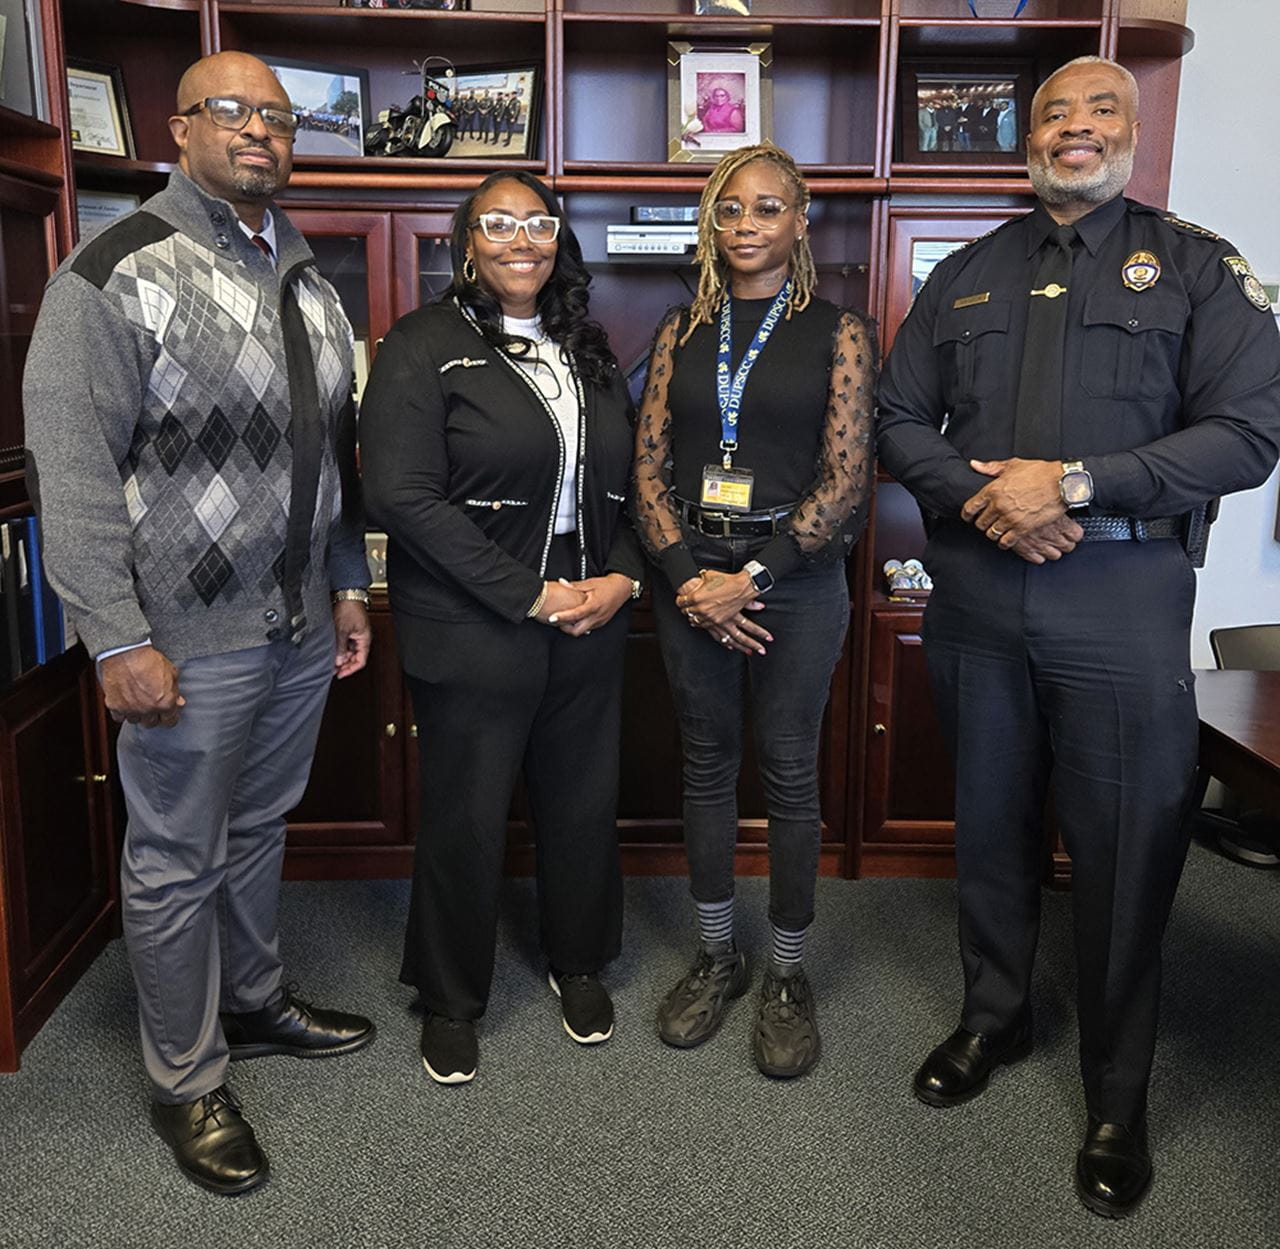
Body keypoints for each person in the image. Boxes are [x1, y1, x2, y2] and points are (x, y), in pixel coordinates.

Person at [877, 56, 1280, 1216]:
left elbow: (1247, 433)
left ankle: (1115, 1093)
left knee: (1123, 847)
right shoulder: (962, 270)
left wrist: (1076, 484)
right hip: (978, 593)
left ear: (1130, 132)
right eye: (1054, 112)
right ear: (1026, 136)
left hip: (1118, 593)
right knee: (990, 822)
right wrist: (983, 494)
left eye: (1099, 109)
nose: (1074, 128)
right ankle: (992, 1017)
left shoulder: (1197, 266)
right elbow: (900, 417)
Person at [22, 52, 375, 1195]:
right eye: (233, 112)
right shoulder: (116, 269)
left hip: (295, 627)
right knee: (175, 855)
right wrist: (118, 638)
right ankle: (186, 1077)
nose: (261, 131)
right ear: (179, 128)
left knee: (259, 824)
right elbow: (69, 472)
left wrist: (346, 584)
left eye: (277, 117)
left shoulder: (311, 282)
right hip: (182, 635)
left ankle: (255, 1001)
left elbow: (327, 457)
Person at [360, 171, 644, 1086]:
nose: (522, 238)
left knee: (581, 800)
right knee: (465, 815)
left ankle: (579, 963)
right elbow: (399, 495)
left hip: (589, 612)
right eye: (499, 224)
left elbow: (640, 480)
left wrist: (623, 579)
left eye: (539, 222)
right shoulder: (423, 344)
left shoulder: (585, 349)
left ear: (558, 239)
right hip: (477, 617)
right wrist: (530, 594)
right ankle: (450, 997)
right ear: (467, 242)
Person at [633, 143, 874, 1079]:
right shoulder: (679, 326)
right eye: (730, 210)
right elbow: (647, 463)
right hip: (689, 572)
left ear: (799, 222)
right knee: (705, 764)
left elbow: (847, 479)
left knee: (787, 771)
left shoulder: (838, 331)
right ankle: (715, 954)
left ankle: (785, 973)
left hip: (796, 578)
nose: (745, 226)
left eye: (767, 209)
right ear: (711, 220)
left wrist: (754, 579)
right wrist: (693, 578)